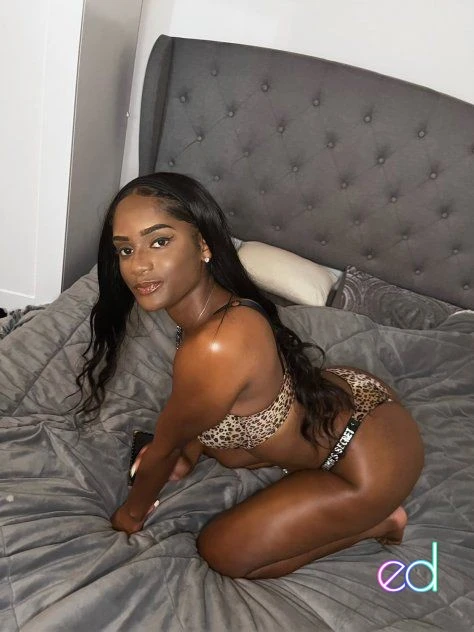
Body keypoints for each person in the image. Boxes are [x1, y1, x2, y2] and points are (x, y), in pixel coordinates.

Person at [77, 172, 424, 579]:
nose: (139, 265)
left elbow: (165, 450)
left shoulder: (216, 344)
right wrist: (190, 450)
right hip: (348, 400)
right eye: (125, 250)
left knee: (223, 552)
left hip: (369, 464)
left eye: (159, 241)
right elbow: (202, 422)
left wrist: (128, 518)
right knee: (227, 453)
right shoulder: (221, 310)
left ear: (203, 245)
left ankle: (382, 522)